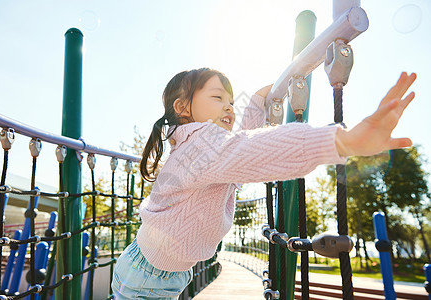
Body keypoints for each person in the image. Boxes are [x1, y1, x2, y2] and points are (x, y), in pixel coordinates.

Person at [111, 68, 416, 299]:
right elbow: (251, 151)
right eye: (218, 98)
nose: (229, 107)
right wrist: (341, 141)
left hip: (157, 269)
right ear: (183, 108)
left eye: (231, 101)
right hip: (147, 276)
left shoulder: (206, 148)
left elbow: (240, 146)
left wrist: (257, 103)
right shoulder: (201, 146)